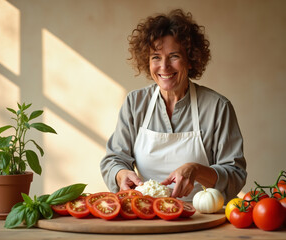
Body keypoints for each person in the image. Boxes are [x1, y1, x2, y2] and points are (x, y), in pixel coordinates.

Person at [100, 9, 247, 202]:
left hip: (201, 218)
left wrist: (196, 170)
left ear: (191, 60)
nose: (164, 66)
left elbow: (235, 174)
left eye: (174, 56)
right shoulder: (135, 103)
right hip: (147, 215)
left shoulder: (218, 108)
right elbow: (114, 159)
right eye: (156, 57)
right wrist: (121, 175)